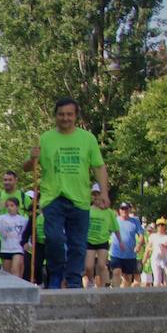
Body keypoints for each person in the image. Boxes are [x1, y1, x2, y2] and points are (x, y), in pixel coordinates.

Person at [24, 98, 110, 289]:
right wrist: (32, 158)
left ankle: (73, 280)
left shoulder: (87, 139)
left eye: (69, 114)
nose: (65, 118)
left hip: (79, 198)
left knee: (78, 244)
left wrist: (104, 192)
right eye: (61, 114)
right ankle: (55, 274)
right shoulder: (45, 138)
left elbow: (98, 166)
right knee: (54, 238)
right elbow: (27, 168)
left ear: (75, 116)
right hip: (53, 197)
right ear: (55, 116)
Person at [84, 185, 118, 288]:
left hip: (102, 240)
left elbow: (115, 228)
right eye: (94, 194)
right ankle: (90, 281)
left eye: (98, 194)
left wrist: (120, 241)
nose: (96, 196)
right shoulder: (88, 210)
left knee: (101, 265)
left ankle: (105, 285)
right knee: (88, 266)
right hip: (89, 240)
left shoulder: (109, 212)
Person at [0, 196, 28, 277]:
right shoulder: (2, 219)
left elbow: (27, 233)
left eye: (12, 205)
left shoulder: (23, 220)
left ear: (17, 207)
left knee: (15, 269)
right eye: (8, 206)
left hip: (18, 249)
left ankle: (18, 287)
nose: (9, 208)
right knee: (7, 273)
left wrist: (27, 243)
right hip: (6, 249)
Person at [109, 202, 145, 287]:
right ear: (119, 210)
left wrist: (139, 245)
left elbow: (141, 235)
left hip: (130, 254)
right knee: (116, 272)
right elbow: (107, 232)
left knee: (127, 278)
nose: (124, 210)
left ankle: (121, 295)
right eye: (122, 208)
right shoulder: (114, 220)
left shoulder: (135, 220)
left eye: (126, 208)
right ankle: (114, 293)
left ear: (129, 209)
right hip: (116, 253)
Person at [146, 218, 167, 287]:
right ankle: (156, 296)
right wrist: (152, 249)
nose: (160, 226)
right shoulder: (153, 236)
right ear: (156, 226)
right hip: (156, 259)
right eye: (158, 225)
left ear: (165, 226)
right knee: (157, 281)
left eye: (162, 225)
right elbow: (148, 247)